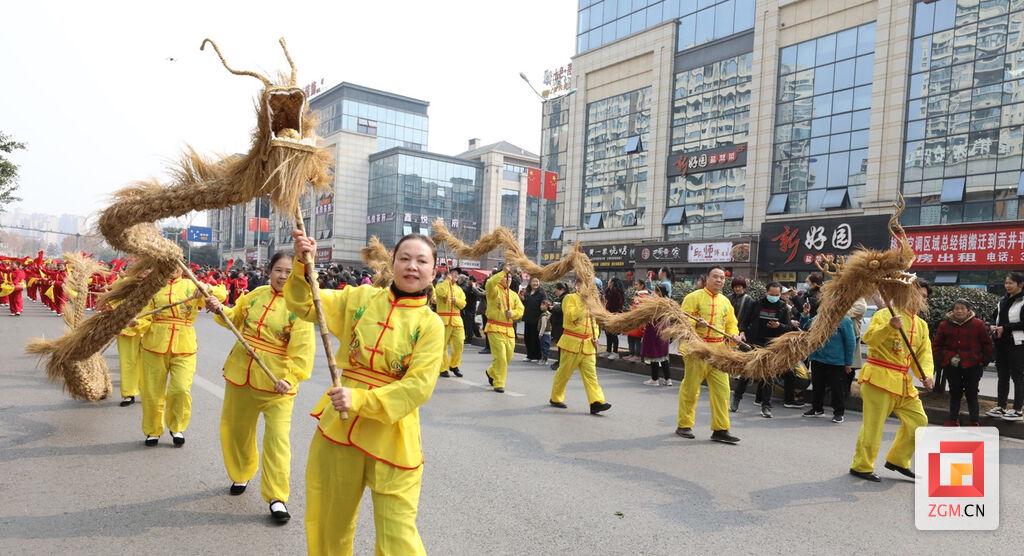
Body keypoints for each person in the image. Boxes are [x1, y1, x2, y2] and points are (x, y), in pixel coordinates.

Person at [288, 230, 443, 555]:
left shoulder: (431, 325)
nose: (411, 266)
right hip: (340, 427)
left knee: (398, 535)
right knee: (330, 520)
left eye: (421, 261)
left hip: (394, 435)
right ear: (393, 262)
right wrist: (303, 265)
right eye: (404, 258)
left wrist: (359, 399)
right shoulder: (361, 298)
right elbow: (306, 304)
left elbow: (418, 387)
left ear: (434, 270)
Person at [205, 252, 315, 523]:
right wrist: (219, 308)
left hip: (277, 383)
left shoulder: (300, 306)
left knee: (277, 439)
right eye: (278, 270)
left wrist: (290, 378)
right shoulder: (254, 295)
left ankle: (277, 497)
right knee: (236, 430)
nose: (282, 276)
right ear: (270, 270)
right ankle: (241, 473)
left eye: (289, 272)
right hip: (241, 373)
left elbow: (303, 352)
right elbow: (233, 319)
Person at [849, 282, 934, 482]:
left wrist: (926, 374)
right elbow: (868, 339)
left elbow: (924, 354)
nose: (920, 299)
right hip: (879, 377)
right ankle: (861, 466)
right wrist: (889, 327)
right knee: (873, 426)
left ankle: (898, 459)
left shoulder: (921, 325)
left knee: (919, 422)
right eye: (917, 294)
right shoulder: (885, 314)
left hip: (904, 382)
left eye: (924, 296)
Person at [135, 267, 226, 447]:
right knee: (152, 392)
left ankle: (177, 427)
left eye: (177, 264)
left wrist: (207, 289)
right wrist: (136, 322)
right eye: (169, 264)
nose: (173, 269)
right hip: (154, 344)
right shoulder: (153, 287)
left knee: (181, 389)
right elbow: (145, 316)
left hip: (184, 345)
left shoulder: (191, 284)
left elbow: (221, 294)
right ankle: (153, 430)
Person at [675, 267, 741, 444]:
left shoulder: (726, 302)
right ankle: (684, 425)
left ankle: (720, 429)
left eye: (722, 278)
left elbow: (731, 325)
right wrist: (697, 325)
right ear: (707, 279)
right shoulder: (693, 297)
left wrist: (734, 335)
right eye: (715, 277)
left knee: (722, 390)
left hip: (719, 352)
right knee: (691, 388)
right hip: (697, 350)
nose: (719, 280)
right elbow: (684, 323)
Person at [549, 277, 611, 414]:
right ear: (577, 285)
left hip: (588, 344)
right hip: (572, 342)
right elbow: (572, 316)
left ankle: (596, 402)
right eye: (584, 284)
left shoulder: (593, 302)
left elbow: (594, 322)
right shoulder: (569, 298)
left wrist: (596, 337)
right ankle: (556, 397)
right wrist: (585, 303)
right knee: (564, 373)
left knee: (592, 376)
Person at [732, 282, 794, 418]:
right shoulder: (756, 304)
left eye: (777, 295)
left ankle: (766, 406)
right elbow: (744, 321)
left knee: (769, 376)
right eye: (772, 294)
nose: (774, 297)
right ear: (766, 292)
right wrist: (742, 332)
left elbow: (789, 327)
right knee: (746, 372)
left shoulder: (783, 307)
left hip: (772, 345)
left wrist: (779, 325)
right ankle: (736, 400)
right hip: (755, 343)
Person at [933, 299, 993, 426]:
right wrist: (943, 359)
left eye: (962, 308)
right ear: (952, 311)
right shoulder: (944, 324)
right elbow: (937, 344)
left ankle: (974, 421)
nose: (959, 311)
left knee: (972, 392)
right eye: (956, 308)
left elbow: (986, 344)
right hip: (951, 364)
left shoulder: (978, 324)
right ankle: (953, 419)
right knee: (955, 392)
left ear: (968, 310)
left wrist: (983, 361)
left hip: (973, 364)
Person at [800, 304, 857, 423]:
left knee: (837, 388)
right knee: (817, 386)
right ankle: (817, 409)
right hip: (817, 358)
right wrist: (805, 315)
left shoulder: (844, 320)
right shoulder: (818, 317)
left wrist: (848, 363)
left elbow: (850, 342)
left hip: (836, 361)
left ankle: (838, 412)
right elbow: (805, 328)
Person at [988, 271, 1024, 420]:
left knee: (1018, 376)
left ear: (1020, 284)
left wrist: (1006, 328)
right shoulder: (1002, 301)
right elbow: (994, 318)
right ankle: (1001, 406)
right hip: (1001, 343)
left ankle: (1017, 409)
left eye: (1011, 283)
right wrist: (992, 326)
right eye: (1006, 283)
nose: (1007, 285)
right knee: (1002, 376)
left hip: (1017, 343)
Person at [483, 265, 525, 393]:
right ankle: (499, 383)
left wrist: (513, 314)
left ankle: (491, 372)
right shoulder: (494, 291)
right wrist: (503, 272)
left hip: (509, 330)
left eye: (510, 277)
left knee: (508, 356)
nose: (508, 279)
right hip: (495, 327)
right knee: (500, 356)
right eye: (506, 277)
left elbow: (521, 310)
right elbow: (490, 282)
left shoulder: (513, 295)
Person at [435, 268, 467, 378]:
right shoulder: (440, 286)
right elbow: (441, 293)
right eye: (453, 273)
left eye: (457, 274)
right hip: (443, 321)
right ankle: (443, 368)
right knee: (442, 346)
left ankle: (454, 365)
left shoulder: (459, 289)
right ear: (447, 275)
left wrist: (456, 301)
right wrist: (447, 281)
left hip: (457, 321)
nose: (456, 275)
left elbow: (463, 304)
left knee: (459, 344)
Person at [641, 285, 672, 386]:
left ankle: (655, 379)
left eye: (655, 291)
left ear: (658, 292)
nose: (653, 293)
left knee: (653, 354)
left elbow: (649, 315)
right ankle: (668, 380)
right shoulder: (668, 302)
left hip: (654, 331)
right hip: (664, 330)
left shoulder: (655, 303)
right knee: (663, 356)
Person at [521, 276, 547, 363]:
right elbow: (525, 303)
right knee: (527, 337)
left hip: (536, 318)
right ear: (530, 282)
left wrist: (543, 306)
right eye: (533, 281)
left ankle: (537, 356)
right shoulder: (527, 291)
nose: (535, 283)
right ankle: (529, 355)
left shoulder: (541, 292)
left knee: (535, 338)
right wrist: (523, 299)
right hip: (528, 317)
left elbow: (544, 303)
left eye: (537, 281)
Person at [626, 279, 650, 362]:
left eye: (636, 284)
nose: (635, 286)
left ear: (642, 285)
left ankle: (637, 355)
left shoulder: (644, 296)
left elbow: (640, 308)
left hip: (639, 320)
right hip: (634, 319)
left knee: (637, 338)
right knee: (630, 336)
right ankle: (631, 354)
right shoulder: (638, 295)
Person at [601, 277, 625, 360]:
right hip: (608, 314)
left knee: (613, 334)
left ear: (613, 283)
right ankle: (608, 350)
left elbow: (619, 304)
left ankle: (615, 352)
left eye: (609, 281)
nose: (608, 282)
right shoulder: (608, 290)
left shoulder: (617, 292)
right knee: (608, 333)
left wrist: (616, 313)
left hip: (615, 315)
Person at [728, 276, 755, 341]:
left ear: (743, 287)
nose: (737, 289)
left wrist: (743, 330)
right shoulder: (729, 297)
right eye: (735, 287)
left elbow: (749, 318)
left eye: (739, 287)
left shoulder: (749, 299)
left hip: (741, 331)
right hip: (728, 329)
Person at [548, 283, 568, 370]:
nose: (555, 291)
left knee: (562, 345)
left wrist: (554, 308)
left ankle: (561, 362)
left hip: (561, 325)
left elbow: (564, 310)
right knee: (559, 344)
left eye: (556, 289)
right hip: (557, 325)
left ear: (562, 290)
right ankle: (560, 360)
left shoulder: (566, 298)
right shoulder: (560, 298)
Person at [462, 275, 480, 341]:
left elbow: (467, 293)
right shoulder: (474, 288)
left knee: (468, 323)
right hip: (472, 307)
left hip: (469, 307)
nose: (467, 282)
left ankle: (469, 338)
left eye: (469, 280)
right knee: (472, 322)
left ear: (472, 281)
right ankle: (478, 335)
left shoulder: (472, 288)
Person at [538, 299, 553, 365]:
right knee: (545, 347)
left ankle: (544, 360)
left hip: (544, 333)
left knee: (544, 347)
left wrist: (540, 333)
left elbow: (543, 325)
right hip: (548, 333)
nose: (541, 306)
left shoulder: (544, 315)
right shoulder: (549, 314)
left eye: (542, 305)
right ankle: (544, 359)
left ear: (546, 306)